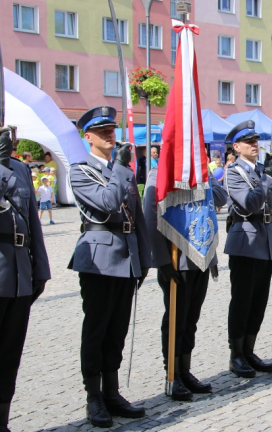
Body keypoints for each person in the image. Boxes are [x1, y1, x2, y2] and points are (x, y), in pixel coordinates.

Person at [68, 106, 151, 428]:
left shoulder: (124, 171)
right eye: (101, 131)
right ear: (87, 137)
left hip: (127, 258)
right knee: (97, 329)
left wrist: (143, 259)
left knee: (117, 330)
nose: (109, 135)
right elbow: (107, 203)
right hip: (99, 260)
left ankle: (112, 392)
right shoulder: (81, 170)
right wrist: (118, 168)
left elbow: (138, 219)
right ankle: (93, 396)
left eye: (111, 129)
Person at [143, 162, 227, 398]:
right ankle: (172, 372)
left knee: (191, 318)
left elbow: (219, 200)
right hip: (176, 257)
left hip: (200, 255)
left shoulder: (200, 171)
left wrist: (206, 174)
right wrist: (161, 260)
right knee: (176, 319)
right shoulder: (160, 172)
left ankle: (185, 369)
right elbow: (151, 215)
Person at [0, 127, 51, 432]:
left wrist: (41, 269)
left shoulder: (19, 167)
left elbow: (32, 217)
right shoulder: (8, 167)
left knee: (10, 354)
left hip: (19, 273)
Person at [222, 120, 272, 377]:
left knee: (259, 302)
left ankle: (249, 349)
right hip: (245, 242)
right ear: (237, 147)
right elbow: (249, 204)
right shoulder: (234, 172)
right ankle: (236, 355)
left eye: (256, 140)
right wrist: (267, 179)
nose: (254, 144)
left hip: (265, 242)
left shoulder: (260, 171)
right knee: (242, 301)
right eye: (248, 141)